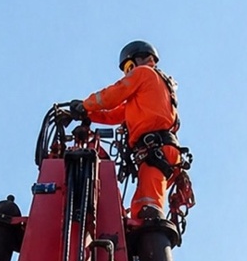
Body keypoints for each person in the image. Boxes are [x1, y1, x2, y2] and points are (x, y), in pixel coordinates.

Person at [70, 41, 183, 219]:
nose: (129, 72)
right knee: (140, 208)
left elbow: (114, 94)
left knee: (148, 209)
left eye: (130, 66)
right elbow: (115, 114)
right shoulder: (151, 91)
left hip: (155, 149)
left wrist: (85, 104)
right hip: (162, 150)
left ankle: (152, 240)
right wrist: (88, 114)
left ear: (143, 59)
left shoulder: (144, 72)